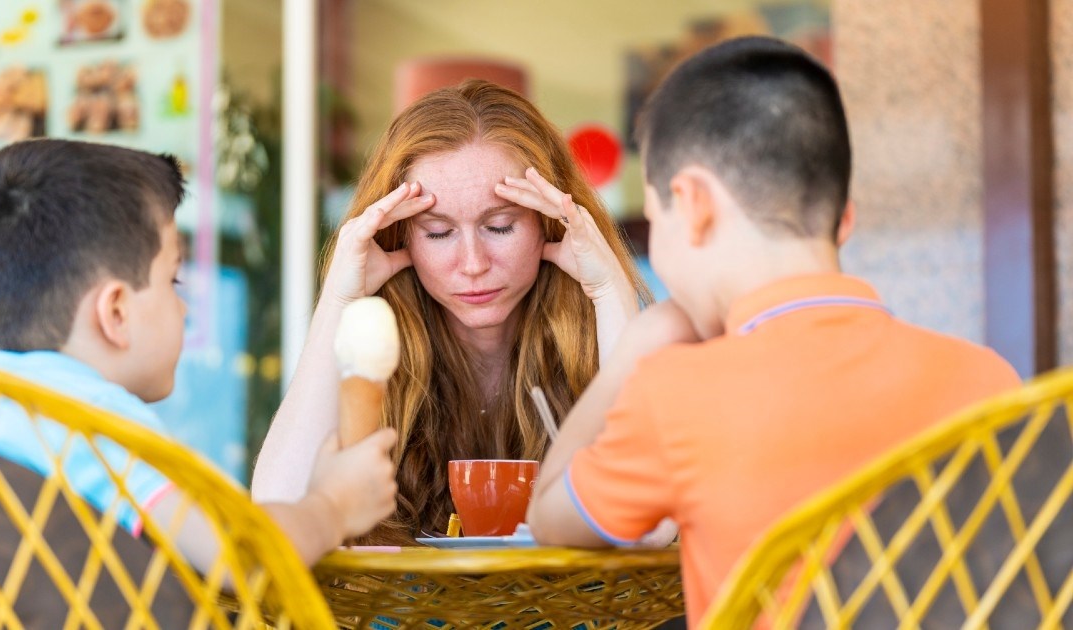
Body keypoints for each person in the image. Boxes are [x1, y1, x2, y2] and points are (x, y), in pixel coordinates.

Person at [526, 36, 1021, 625]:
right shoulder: (991, 384)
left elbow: (549, 518)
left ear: (693, 204)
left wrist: (630, 358)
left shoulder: (677, 393)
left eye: (656, 219)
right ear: (843, 218)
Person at [0, 138, 398, 567]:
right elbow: (234, 554)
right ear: (116, 312)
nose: (183, 307)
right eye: (172, 280)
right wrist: (332, 505)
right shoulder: (90, 420)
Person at [252, 80, 652, 543]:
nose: (473, 264)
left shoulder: (603, 331)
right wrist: (339, 300)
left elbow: (651, 524)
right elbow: (278, 510)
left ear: (548, 221)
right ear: (400, 233)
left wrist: (608, 290)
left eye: (499, 226)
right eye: (438, 232)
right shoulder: (378, 343)